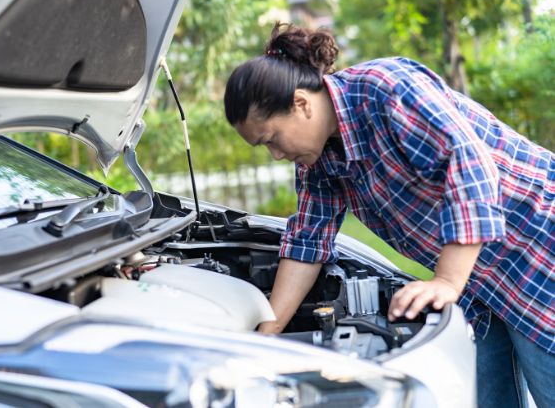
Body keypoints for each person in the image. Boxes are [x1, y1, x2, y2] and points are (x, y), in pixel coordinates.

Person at [223, 22, 554, 408]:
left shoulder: (387, 89)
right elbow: (308, 243)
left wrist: (447, 280)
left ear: (301, 103)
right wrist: (269, 333)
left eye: (271, 139)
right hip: (479, 282)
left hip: (536, 253)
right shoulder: (317, 161)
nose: (275, 155)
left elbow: (470, 163)